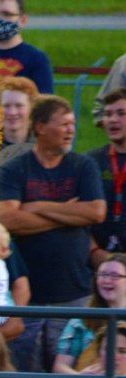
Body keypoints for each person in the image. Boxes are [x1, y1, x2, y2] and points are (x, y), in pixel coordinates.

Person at [0, 95, 106, 374]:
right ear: (40, 127)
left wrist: (39, 206)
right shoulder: (15, 169)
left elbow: (95, 213)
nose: (71, 130)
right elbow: (7, 218)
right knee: (21, 375)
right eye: (64, 124)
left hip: (74, 294)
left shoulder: (82, 166)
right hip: (27, 295)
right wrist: (67, 215)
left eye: (73, 124)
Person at [0, 77, 39, 213]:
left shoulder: (44, 146)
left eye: (19, 106)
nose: (12, 112)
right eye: (6, 106)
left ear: (31, 108)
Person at [88, 88, 126, 264]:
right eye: (108, 114)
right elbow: (76, 214)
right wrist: (94, 251)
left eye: (121, 113)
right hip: (98, 261)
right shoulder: (89, 162)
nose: (112, 120)